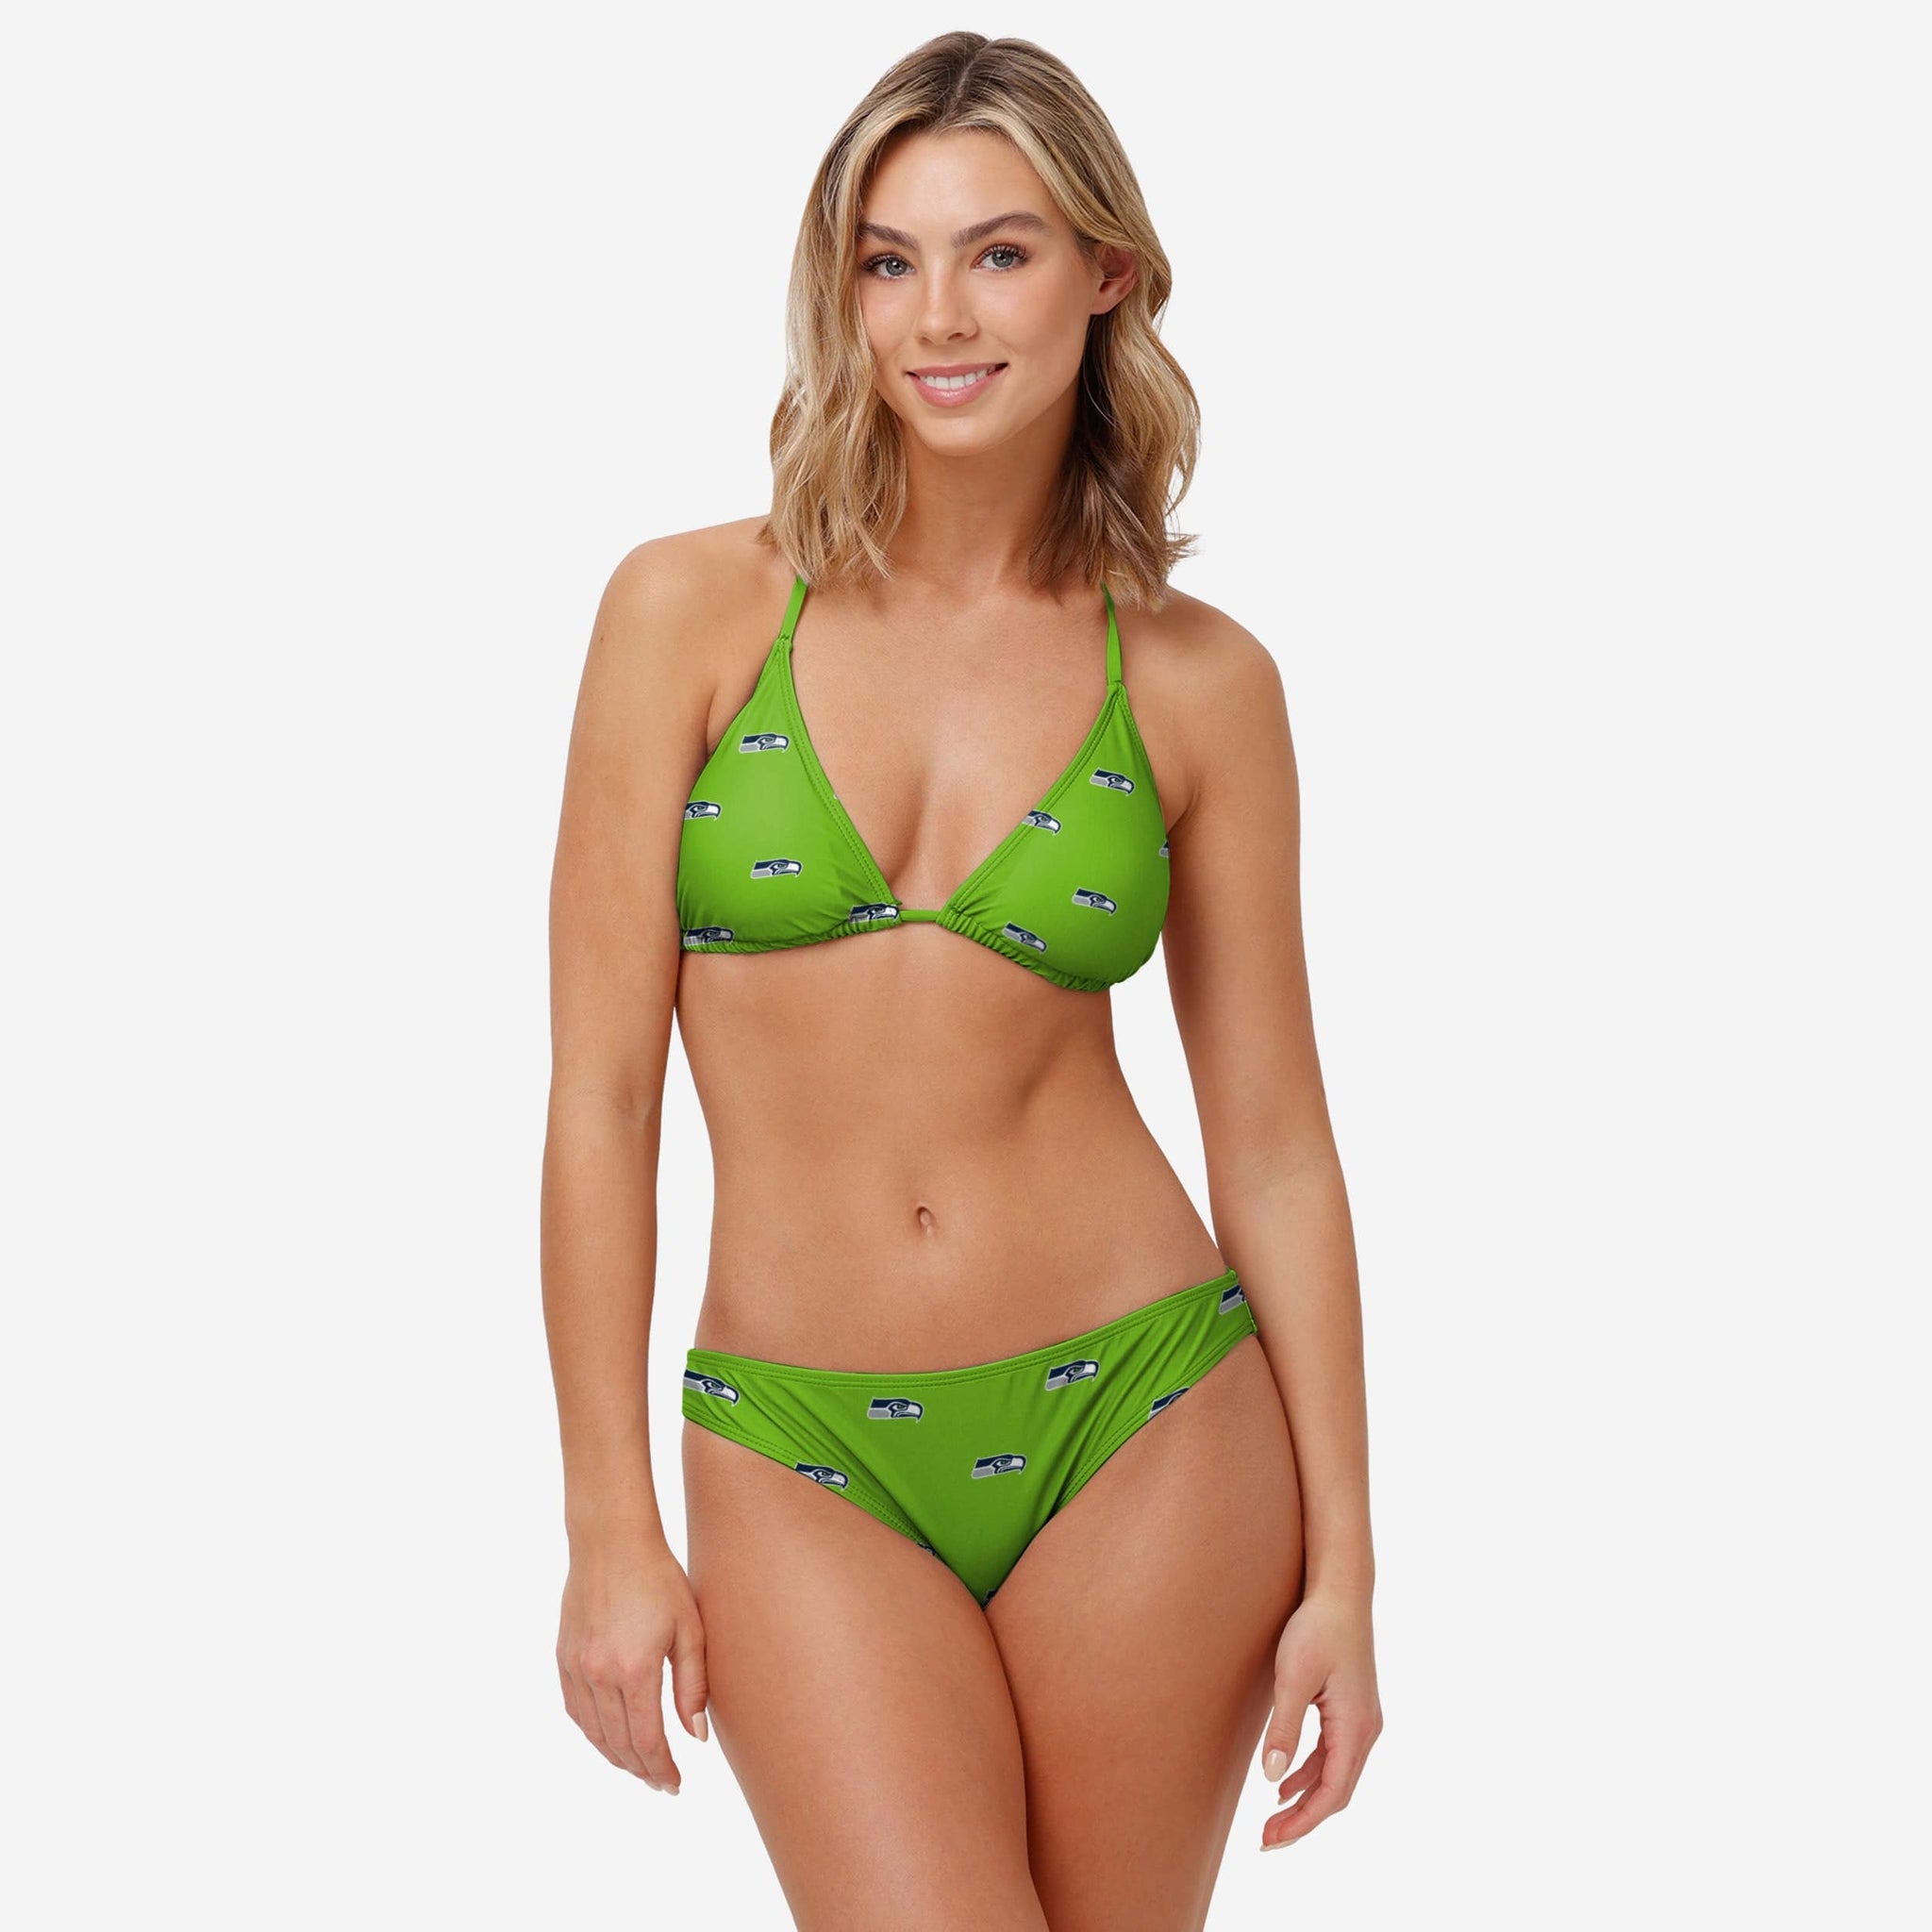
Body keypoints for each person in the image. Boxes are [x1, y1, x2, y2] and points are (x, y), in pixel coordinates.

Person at [541, 30, 1380, 1927]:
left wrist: (1346, 1565)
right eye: (887, 258)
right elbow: (601, 1097)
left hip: (1148, 1422)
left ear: (1108, 275)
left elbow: (1275, 1142)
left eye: (999, 253)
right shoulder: (685, 612)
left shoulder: (1201, 682)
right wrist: (608, 1520)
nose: (939, 314)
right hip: (800, 1445)